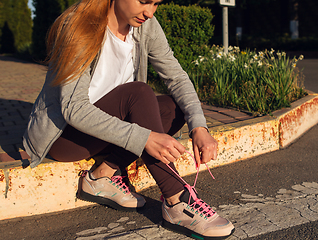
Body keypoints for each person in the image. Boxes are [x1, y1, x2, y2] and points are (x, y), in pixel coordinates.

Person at [23, 0, 235, 238]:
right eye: (144, 1)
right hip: (65, 136)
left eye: (156, 3)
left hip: (107, 129)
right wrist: (143, 137)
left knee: (174, 107)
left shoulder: (146, 26)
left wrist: (199, 126)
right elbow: (74, 109)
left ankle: (103, 174)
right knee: (140, 93)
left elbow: (176, 77)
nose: (149, 12)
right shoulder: (79, 25)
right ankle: (176, 201)